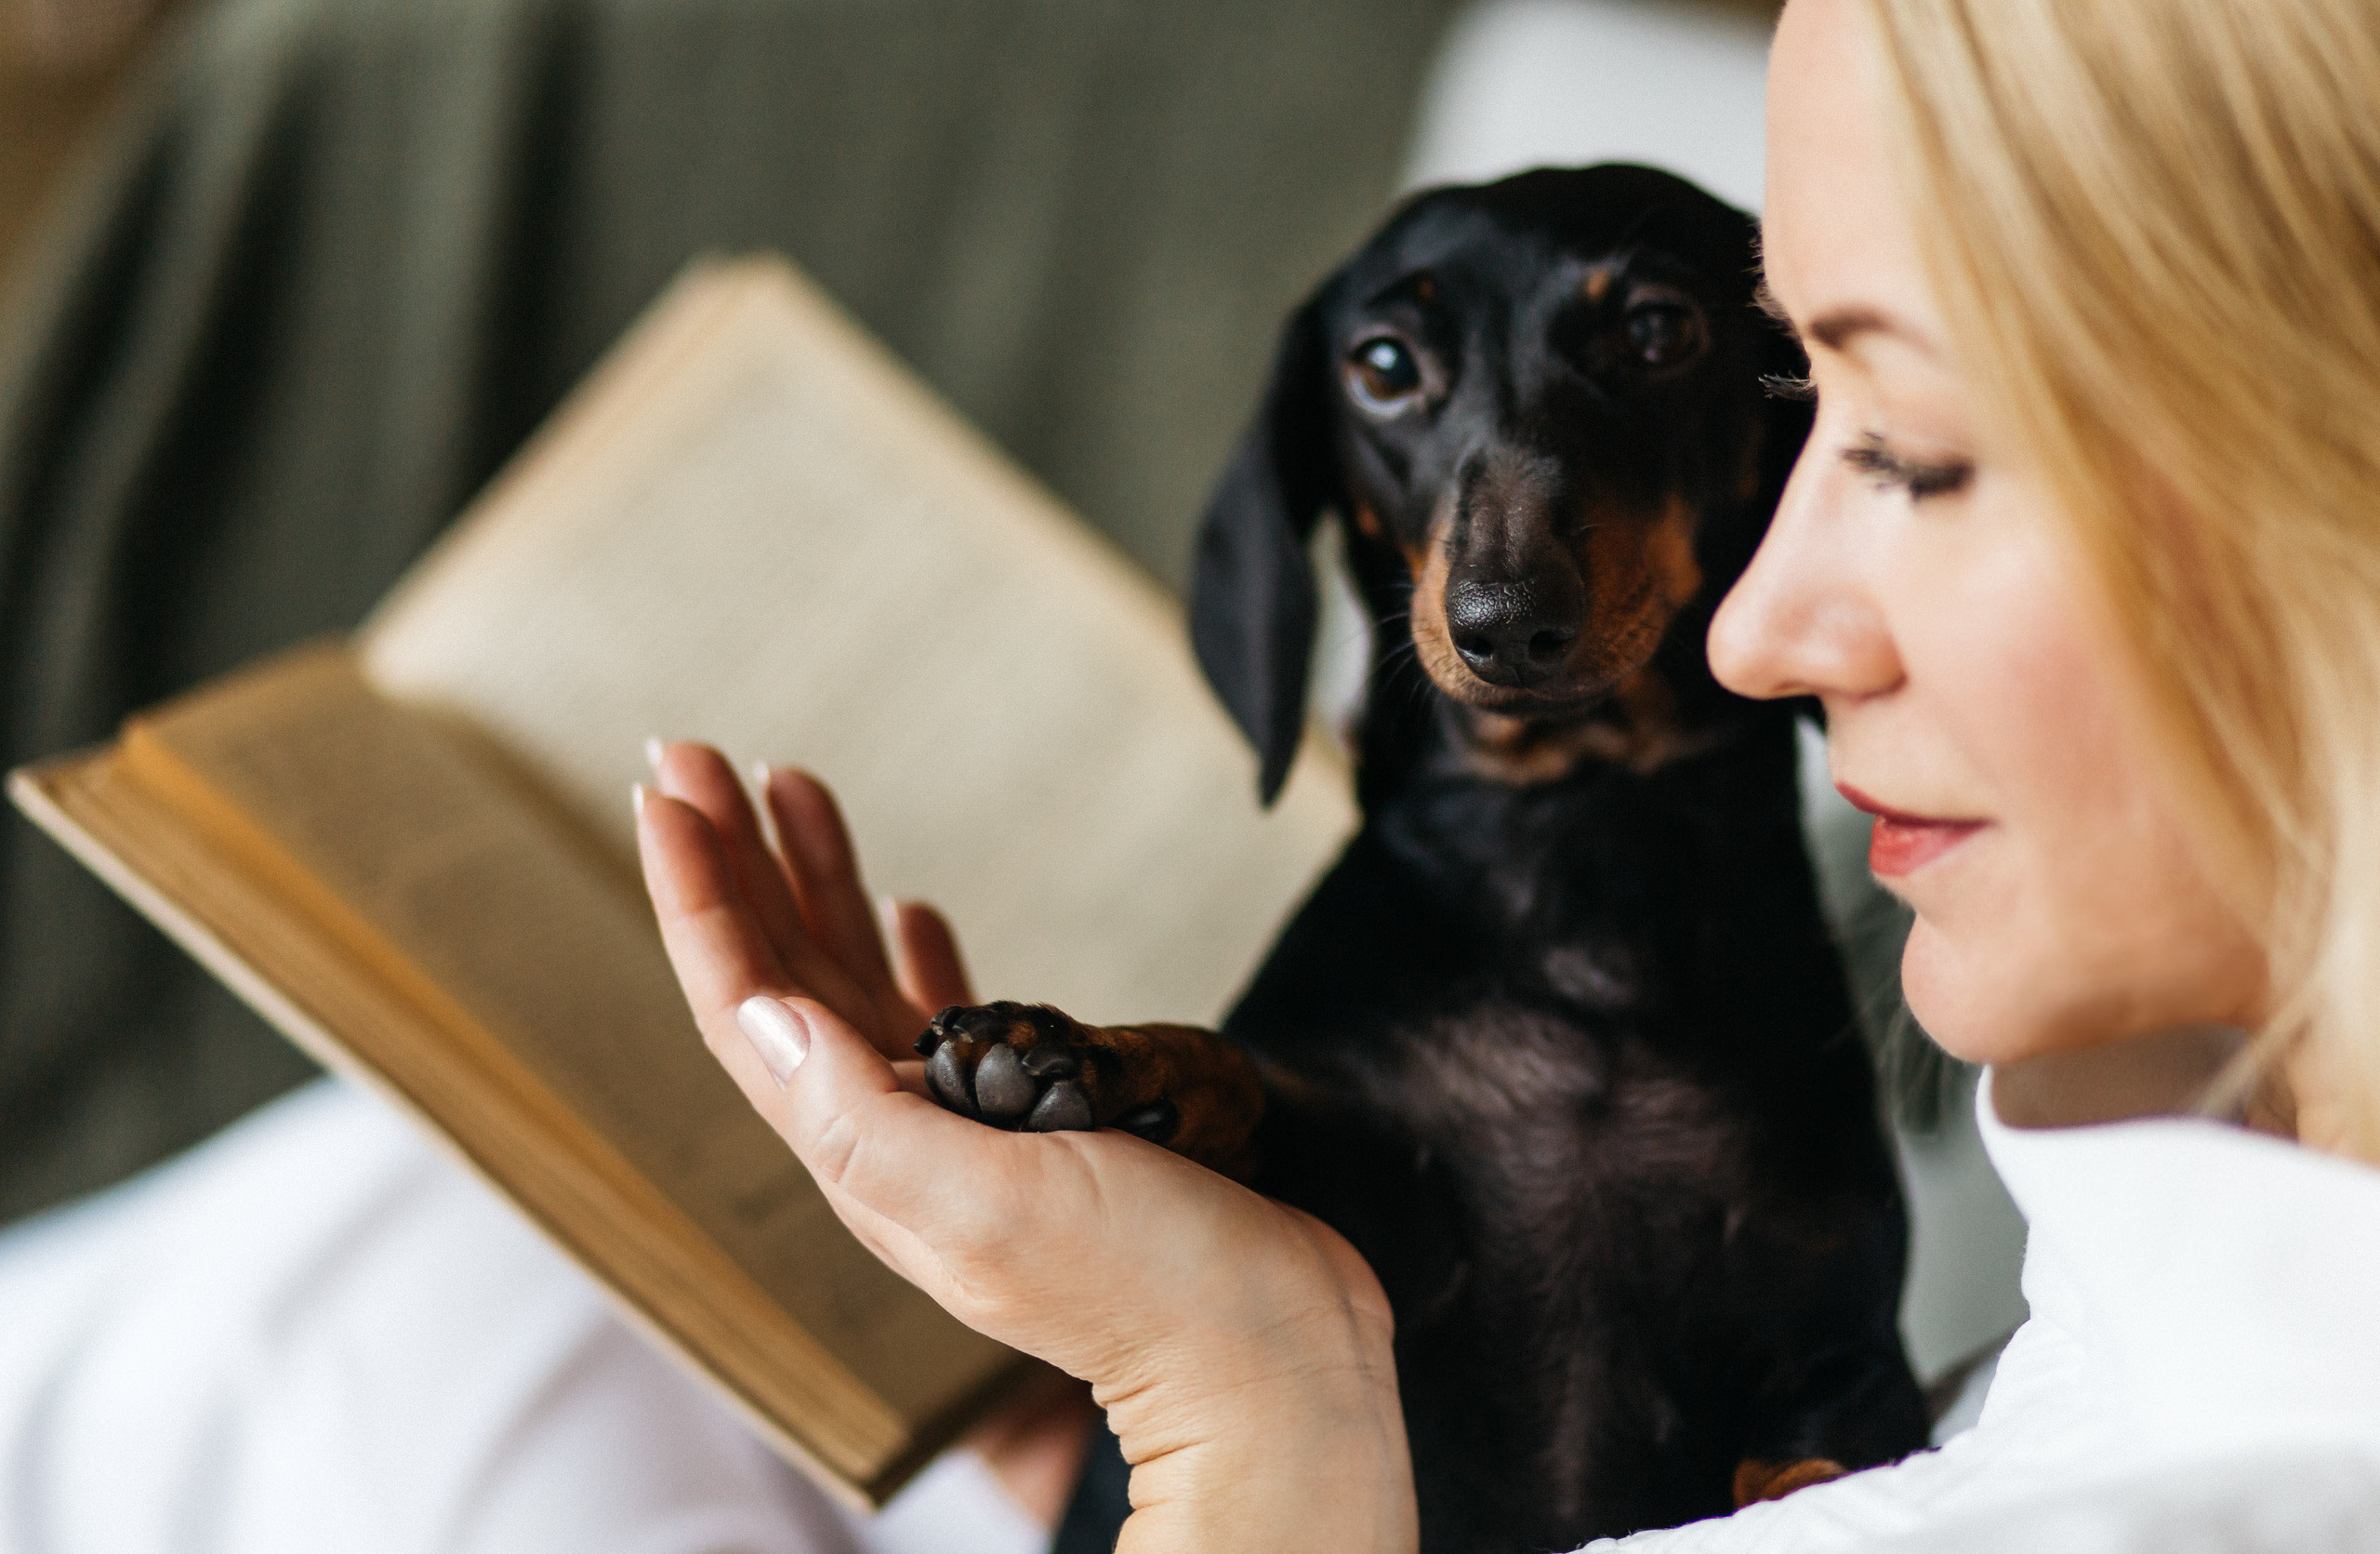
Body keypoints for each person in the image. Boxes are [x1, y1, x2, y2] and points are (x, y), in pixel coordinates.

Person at [634, 0, 2380, 1547]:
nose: (1756, 631)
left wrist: (1239, 1418)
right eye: (1821, 418)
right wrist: (1083, 1407)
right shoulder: (2114, 1259)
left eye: (1914, 452)